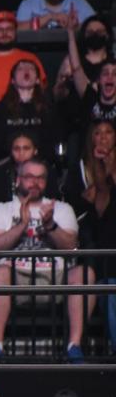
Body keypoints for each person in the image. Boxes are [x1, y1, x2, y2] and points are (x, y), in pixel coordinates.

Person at [0, 158, 92, 361]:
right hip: (14, 277)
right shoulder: (0, 209)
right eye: (29, 177)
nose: (35, 182)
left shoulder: (62, 209)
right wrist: (21, 225)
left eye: (41, 178)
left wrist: (50, 226)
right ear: (17, 180)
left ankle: (74, 346)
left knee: (85, 273)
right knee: (0, 272)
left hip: (55, 277)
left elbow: (70, 246)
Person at [63, 119, 116, 349]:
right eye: (97, 133)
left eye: (108, 132)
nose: (103, 137)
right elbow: (97, 207)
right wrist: (104, 177)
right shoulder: (81, 168)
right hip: (95, 234)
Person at [0, 59, 57, 166]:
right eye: (20, 68)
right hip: (8, 163)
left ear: (37, 80)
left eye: (31, 68)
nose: (26, 70)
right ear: (12, 80)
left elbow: (51, 142)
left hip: (39, 164)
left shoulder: (47, 107)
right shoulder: (0, 108)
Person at [0, 130, 59, 209]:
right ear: (11, 151)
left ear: (35, 151)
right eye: (16, 149)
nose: (21, 153)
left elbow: (53, 201)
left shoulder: (46, 171)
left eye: (26, 148)